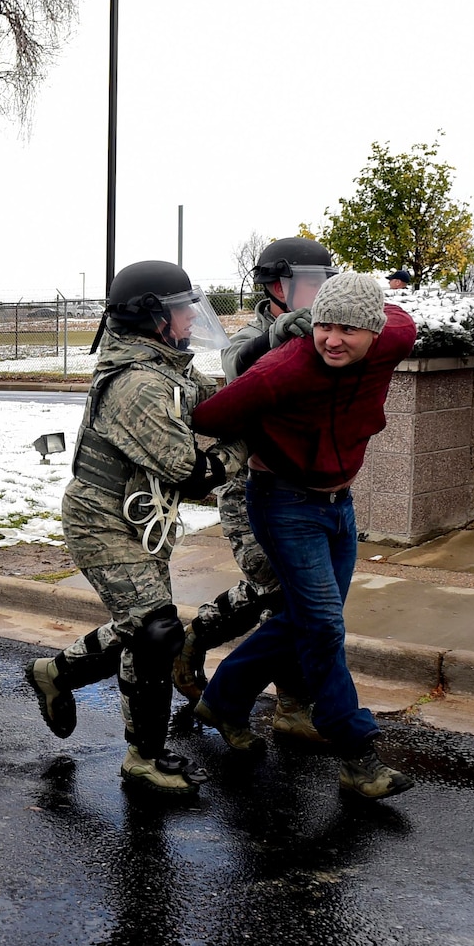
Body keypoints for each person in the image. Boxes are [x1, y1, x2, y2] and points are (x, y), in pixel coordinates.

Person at [189, 271, 418, 799]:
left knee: (305, 620)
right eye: (324, 326)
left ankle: (223, 699)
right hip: (284, 503)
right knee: (323, 629)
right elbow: (211, 413)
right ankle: (357, 754)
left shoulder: (394, 338)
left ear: (374, 333)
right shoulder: (284, 368)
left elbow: (402, 317)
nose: (333, 340)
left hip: (339, 504)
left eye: (348, 330)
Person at [23, 261, 232, 792]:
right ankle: (144, 757)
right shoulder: (137, 384)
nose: (190, 316)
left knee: (145, 629)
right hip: (100, 519)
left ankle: (59, 673)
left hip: (137, 515)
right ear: (151, 319)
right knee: (157, 629)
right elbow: (190, 472)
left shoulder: (166, 369)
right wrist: (244, 451)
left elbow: (213, 400)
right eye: (180, 308)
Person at [169, 236, 333, 744]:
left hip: (305, 490)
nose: (318, 291)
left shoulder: (324, 337)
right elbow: (236, 365)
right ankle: (274, 694)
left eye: (323, 282)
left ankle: (280, 697)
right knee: (283, 593)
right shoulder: (252, 337)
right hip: (251, 490)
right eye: (310, 282)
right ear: (277, 286)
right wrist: (275, 337)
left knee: (291, 597)